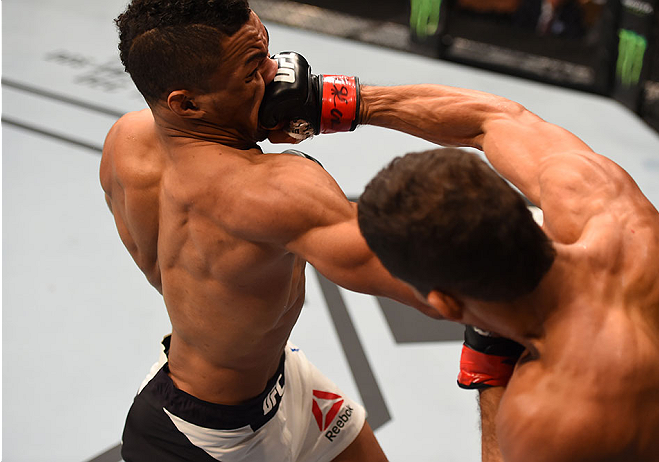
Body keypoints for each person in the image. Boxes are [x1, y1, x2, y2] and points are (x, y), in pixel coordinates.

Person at [100, 1, 441, 460]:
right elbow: (435, 290)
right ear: (187, 103)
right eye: (250, 73)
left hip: (278, 382)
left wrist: (244, 127)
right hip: (206, 443)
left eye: (266, 52)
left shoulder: (126, 141)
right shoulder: (278, 190)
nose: (277, 73)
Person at [355, 84, 659, 461]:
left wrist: (490, 361)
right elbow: (491, 119)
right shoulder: (605, 204)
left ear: (448, 305)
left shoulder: (546, 415)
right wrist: (346, 100)